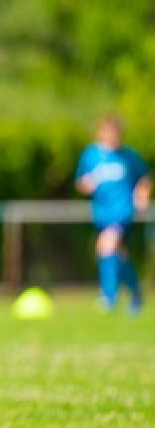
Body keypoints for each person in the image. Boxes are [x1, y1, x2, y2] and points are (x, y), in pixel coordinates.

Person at [75, 114, 151, 314]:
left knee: (107, 245)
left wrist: (141, 194)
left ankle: (109, 297)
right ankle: (135, 290)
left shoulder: (128, 156)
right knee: (116, 253)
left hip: (123, 210)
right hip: (102, 212)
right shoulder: (90, 155)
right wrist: (86, 184)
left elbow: (144, 177)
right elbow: (81, 182)